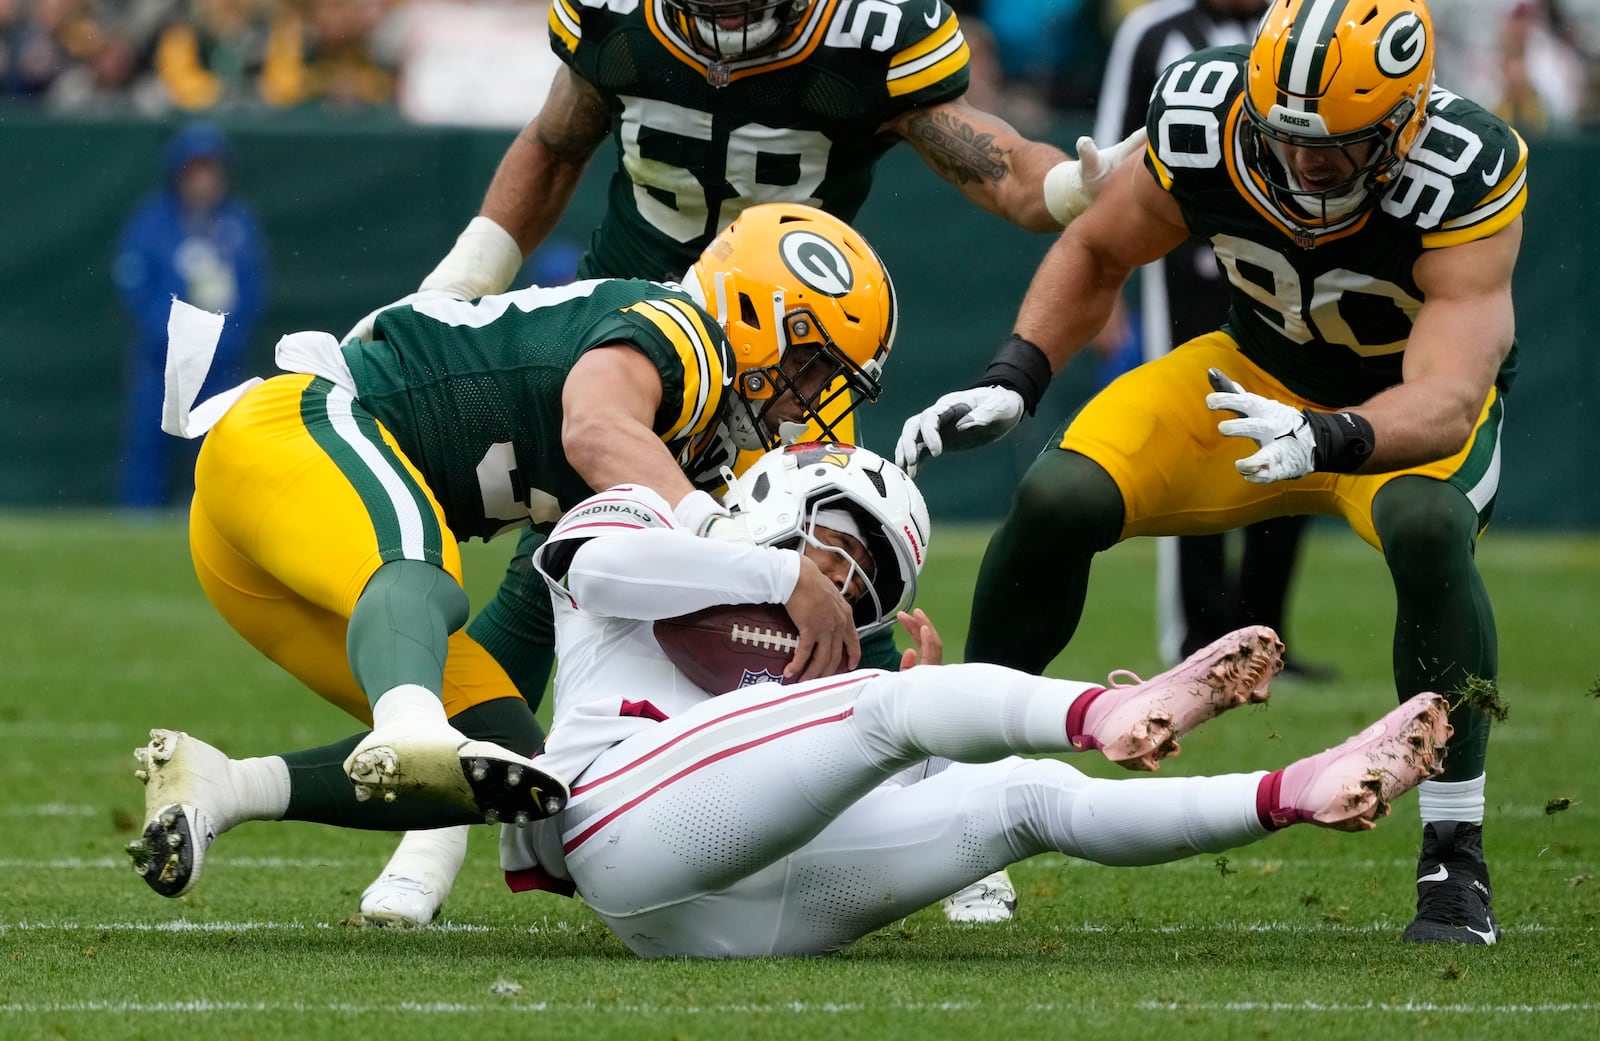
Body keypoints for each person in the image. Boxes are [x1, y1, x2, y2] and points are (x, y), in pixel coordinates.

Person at [347, 0, 1147, 926]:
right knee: (554, 568)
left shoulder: (863, 32)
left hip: (789, 349)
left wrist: (1068, 191)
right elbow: (555, 142)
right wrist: (455, 285)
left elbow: (994, 161)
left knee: (838, 574)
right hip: (646, 333)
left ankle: (949, 801)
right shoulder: (624, 22)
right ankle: (432, 833)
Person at [131, 440, 1452, 955]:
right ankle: (1107, 708)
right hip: (622, 825)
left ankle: (1294, 788)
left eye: (866, 575)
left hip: (737, 914)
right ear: (772, 503)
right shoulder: (649, 516)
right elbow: (583, 559)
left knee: (1024, 800)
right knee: (891, 717)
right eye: (840, 544)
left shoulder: (819, 649)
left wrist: (876, 653)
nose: (845, 587)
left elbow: (854, 750)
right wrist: (792, 567)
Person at [896, 0, 1522, 946]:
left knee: (1433, 531)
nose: (1307, 161)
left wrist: (1333, 434)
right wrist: (1014, 378)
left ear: (1404, 124)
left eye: (1337, 144)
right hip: (1250, 375)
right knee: (1059, 496)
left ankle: (1453, 855)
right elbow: (1101, 244)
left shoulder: (1465, 168)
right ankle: (969, 802)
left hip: (1392, 408)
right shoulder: (1208, 113)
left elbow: (1449, 392)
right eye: (1287, 134)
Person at [128, 203, 896, 900]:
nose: (807, 398)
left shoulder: (690, 450)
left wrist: (882, 682)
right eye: (811, 365)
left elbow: (569, 614)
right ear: (758, 311)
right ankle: (410, 718)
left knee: (520, 774)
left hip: (259, 555)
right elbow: (592, 428)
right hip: (296, 429)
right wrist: (737, 548)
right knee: (424, 570)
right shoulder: (682, 336)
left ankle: (223, 786)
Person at [1093, 0, 1334, 678]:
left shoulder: (1305, 30)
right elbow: (1112, 156)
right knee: (1192, 443)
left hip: (1289, 273)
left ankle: (1265, 632)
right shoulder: (1155, 32)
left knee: (1292, 435)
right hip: (1187, 274)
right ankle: (1197, 636)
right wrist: (1107, 288)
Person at [112, 122, 267, 510]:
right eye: (193, 170)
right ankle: (139, 516)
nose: (202, 181)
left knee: (217, 449)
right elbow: (133, 281)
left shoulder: (239, 224)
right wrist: (168, 334)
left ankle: (215, 522)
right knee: (148, 440)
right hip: (161, 360)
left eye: (209, 170)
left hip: (221, 361)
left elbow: (252, 289)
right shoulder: (152, 220)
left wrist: (223, 338)